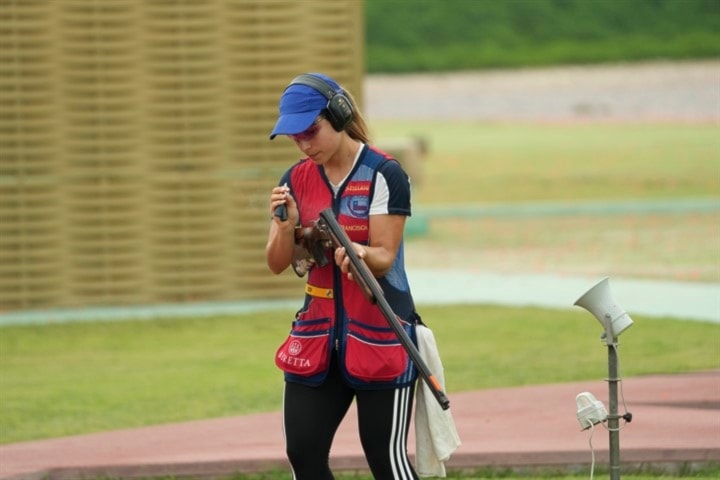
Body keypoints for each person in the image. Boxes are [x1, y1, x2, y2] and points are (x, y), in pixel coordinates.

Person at [266, 72, 421, 480]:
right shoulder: (294, 179)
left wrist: (355, 252)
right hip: (317, 336)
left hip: (381, 333)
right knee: (303, 452)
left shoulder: (384, 173)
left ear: (338, 114)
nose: (303, 144)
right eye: (294, 137)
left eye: (310, 132)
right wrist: (287, 229)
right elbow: (277, 262)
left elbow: (385, 257)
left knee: (387, 463)